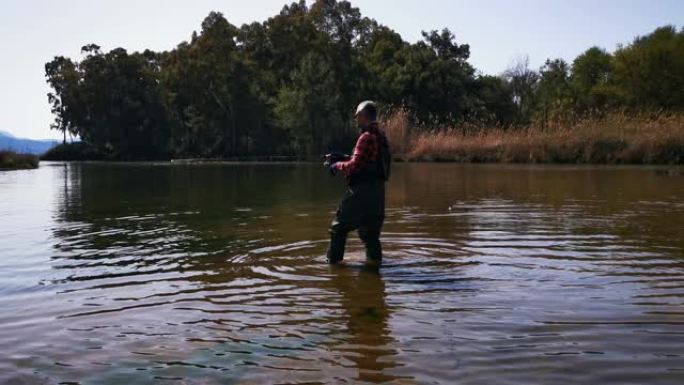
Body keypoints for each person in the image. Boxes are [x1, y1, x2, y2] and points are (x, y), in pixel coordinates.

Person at [324, 101, 391, 267]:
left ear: (364, 116)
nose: (355, 118)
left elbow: (355, 166)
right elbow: (367, 161)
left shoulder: (365, 137)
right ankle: (375, 270)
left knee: (338, 229)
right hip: (377, 194)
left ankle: (334, 269)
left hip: (361, 193)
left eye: (357, 115)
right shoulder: (381, 136)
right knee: (370, 235)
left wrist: (336, 165)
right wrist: (343, 157)